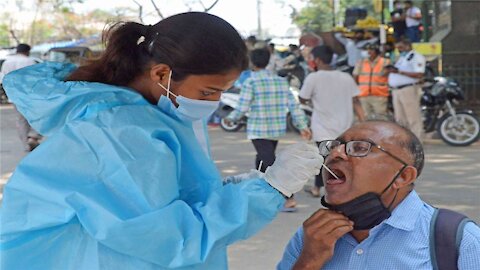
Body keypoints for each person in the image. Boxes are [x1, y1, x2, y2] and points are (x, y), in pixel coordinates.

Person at [0, 12, 324, 270]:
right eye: (208, 92)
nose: (213, 102)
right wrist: (270, 191)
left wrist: (231, 189)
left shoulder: (142, 115)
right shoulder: (124, 132)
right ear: (161, 74)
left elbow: (160, 197)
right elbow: (172, 238)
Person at [277, 120, 480, 269]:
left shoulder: (458, 240)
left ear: (403, 176)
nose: (336, 153)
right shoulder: (312, 236)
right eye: (333, 146)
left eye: (359, 147)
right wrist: (309, 261)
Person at [225, 48, 312, 212]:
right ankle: (262, 193)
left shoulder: (251, 82)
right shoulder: (280, 81)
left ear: (252, 62)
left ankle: (288, 197)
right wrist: (302, 126)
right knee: (263, 159)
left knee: (269, 161)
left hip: (258, 129)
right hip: (276, 129)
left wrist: (231, 118)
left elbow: (242, 107)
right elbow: (294, 106)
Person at [299, 45, 365, 198]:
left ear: (318, 60)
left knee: (325, 158)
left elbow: (303, 97)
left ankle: (325, 188)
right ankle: (325, 186)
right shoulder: (346, 77)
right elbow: (356, 101)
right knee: (340, 158)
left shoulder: (313, 77)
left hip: (323, 128)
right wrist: (363, 122)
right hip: (345, 127)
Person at [0, 43, 41, 151]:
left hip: (15, 96)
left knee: (21, 120)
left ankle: (25, 145)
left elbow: (3, 79)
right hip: (29, 95)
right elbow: (35, 78)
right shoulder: (29, 61)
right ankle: (34, 137)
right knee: (37, 116)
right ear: (27, 51)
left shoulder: (7, 62)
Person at [387, 39, 425, 140]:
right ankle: (404, 141)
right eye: (398, 48)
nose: (399, 50)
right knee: (400, 119)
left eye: (401, 48)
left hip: (408, 89)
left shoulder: (416, 57)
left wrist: (399, 72)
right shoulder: (402, 58)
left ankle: (417, 140)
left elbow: (419, 74)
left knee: (413, 117)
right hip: (396, 90)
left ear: (408, 46)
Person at [353, 43, 391, 120]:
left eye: (371, 50)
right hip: (363, 95)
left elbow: (389, 76)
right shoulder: (361, 62)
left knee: (381, 118)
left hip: (379, 95)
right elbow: (355, 76)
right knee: (364, 118)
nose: (368, 52)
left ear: (376, 51)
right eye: (367, 50)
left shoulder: (385, 62)